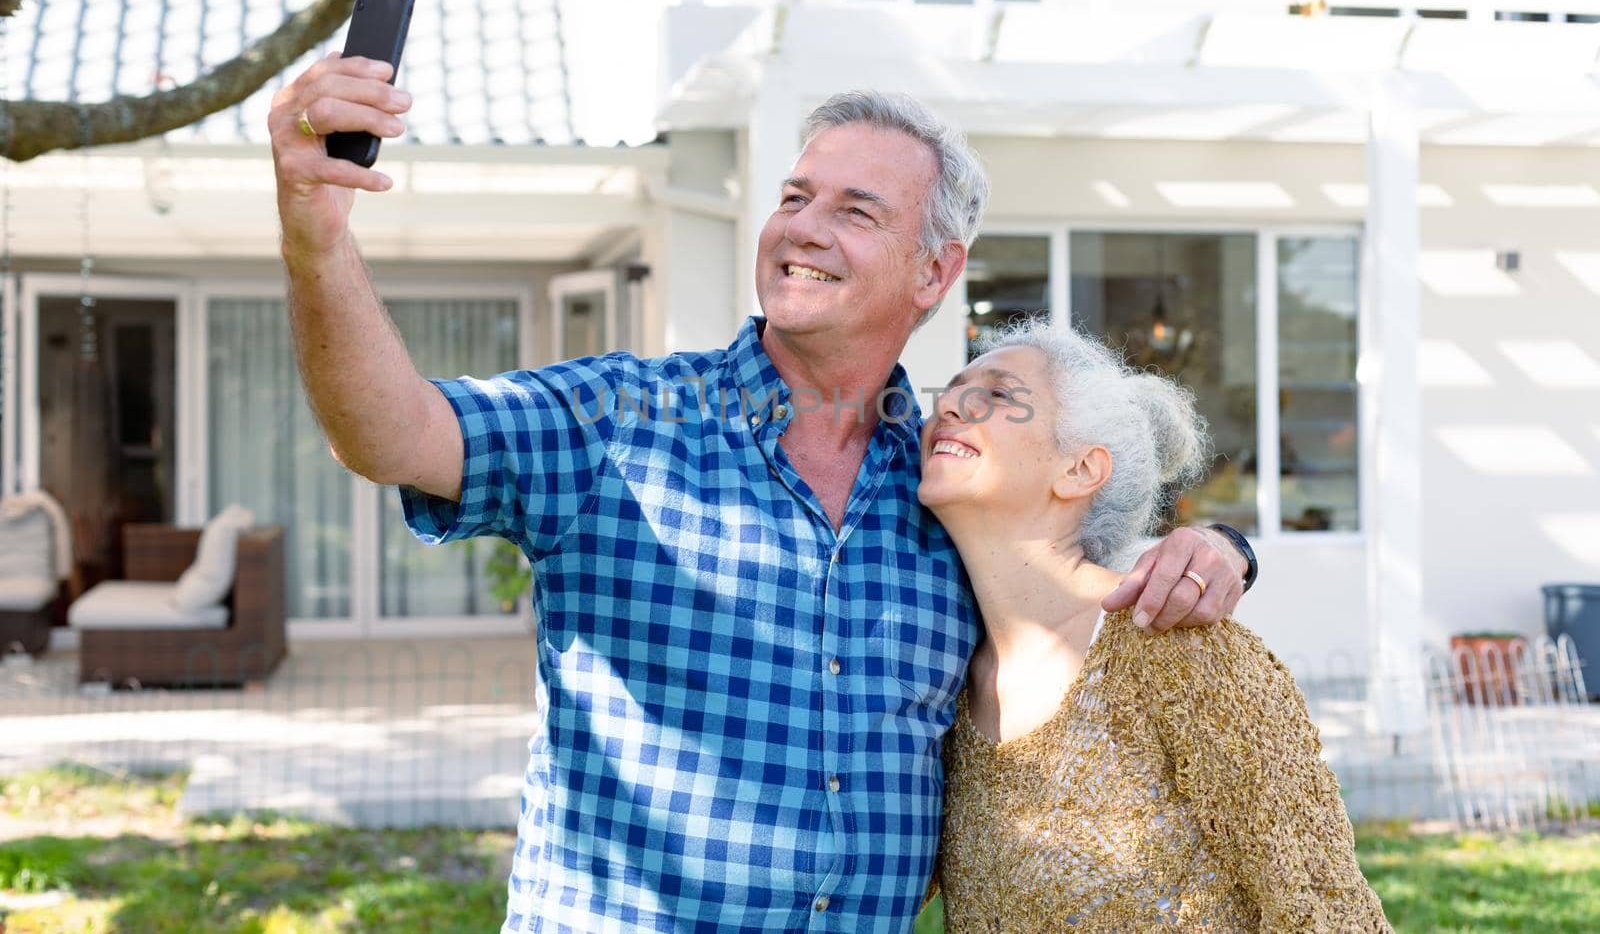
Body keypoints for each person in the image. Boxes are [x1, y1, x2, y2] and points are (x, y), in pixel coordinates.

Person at [268, 57, 1255, 932]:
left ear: (934, 270)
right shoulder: (619, 417)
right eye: (794, 195)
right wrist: (317, 235)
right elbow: (388, 430)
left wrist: (1222, 546)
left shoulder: (951, 482)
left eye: (854, 209)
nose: (801, 228)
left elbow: (1070, 579)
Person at [919, 319, 1390, 931]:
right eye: (951, 391)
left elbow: (1326, 909)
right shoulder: (945, 686)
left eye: (1000, 394)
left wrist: (1231, 545)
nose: (948, 404)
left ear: (1081, 470)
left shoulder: (1176, 651)